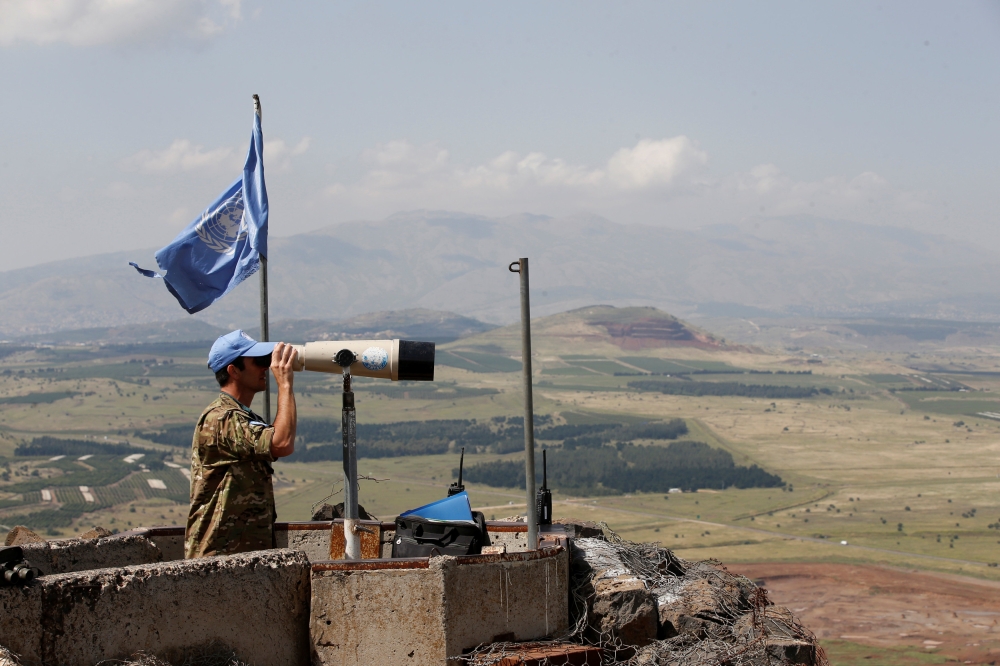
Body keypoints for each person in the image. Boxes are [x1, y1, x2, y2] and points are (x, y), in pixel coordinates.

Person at [184, 330, 297, 558]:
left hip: (241, 556)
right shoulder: (220, 418)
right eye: (258, 361)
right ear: (233, 370)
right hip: (218, 560)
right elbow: (282, 443)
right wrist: (284, 385)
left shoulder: (240, 417)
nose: (265, 367)